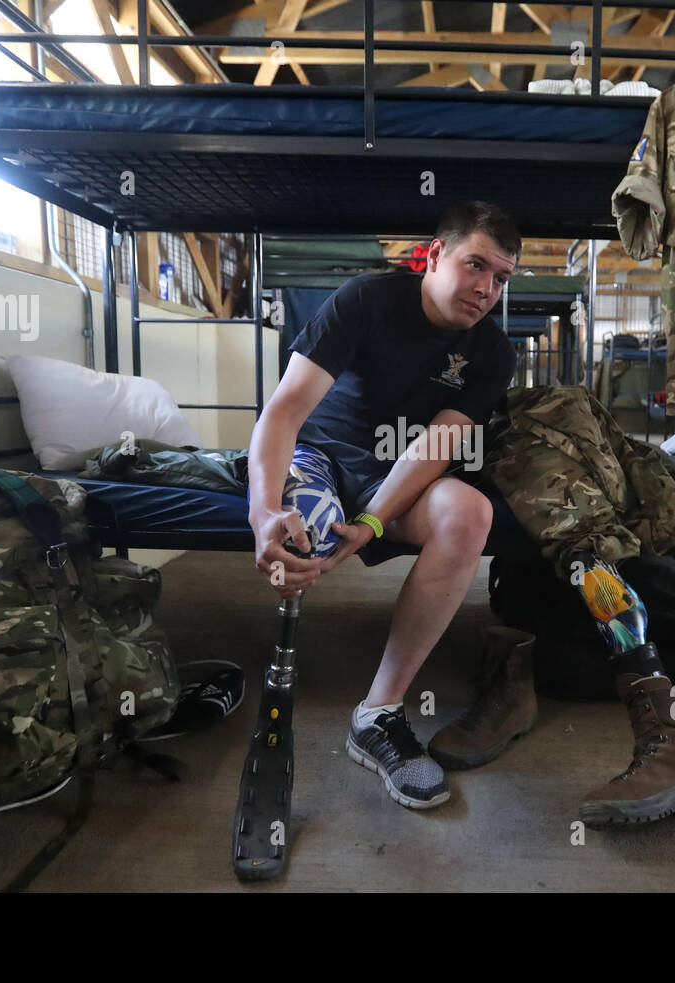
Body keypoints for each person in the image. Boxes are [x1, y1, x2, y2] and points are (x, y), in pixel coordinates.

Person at [246, 201, 519, 810]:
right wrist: (263, 511)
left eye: (501, 277)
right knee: (297, 538)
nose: (486, 288)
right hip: (320, 456)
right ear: (434, 254)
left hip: (393, 478)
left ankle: (378, 714)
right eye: (476, 265)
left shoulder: (493, 352)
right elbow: (285, 410)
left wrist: (372, 522)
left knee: (470, 512)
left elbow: (437, 446)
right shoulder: (365, 300)